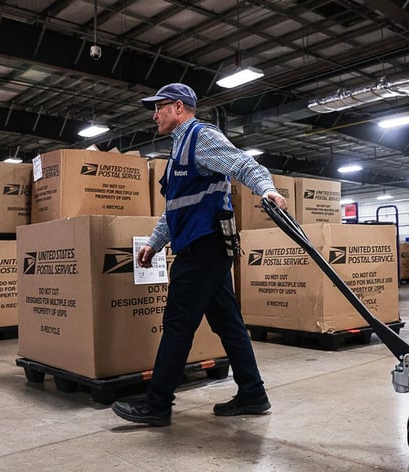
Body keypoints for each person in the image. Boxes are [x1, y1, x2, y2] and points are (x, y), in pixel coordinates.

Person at [112, 83, 287, 427]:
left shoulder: (200, 137)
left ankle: (157, 404)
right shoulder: (179, 151)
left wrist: (267, 189)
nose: (154, 115)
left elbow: (242, 164)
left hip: (203, 248)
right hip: (204, 247)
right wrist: (155, 241)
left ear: (178, 107)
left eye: (159, 107)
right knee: (229, 324)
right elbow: (175, 209)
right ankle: (253, 394)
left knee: (178, 324)